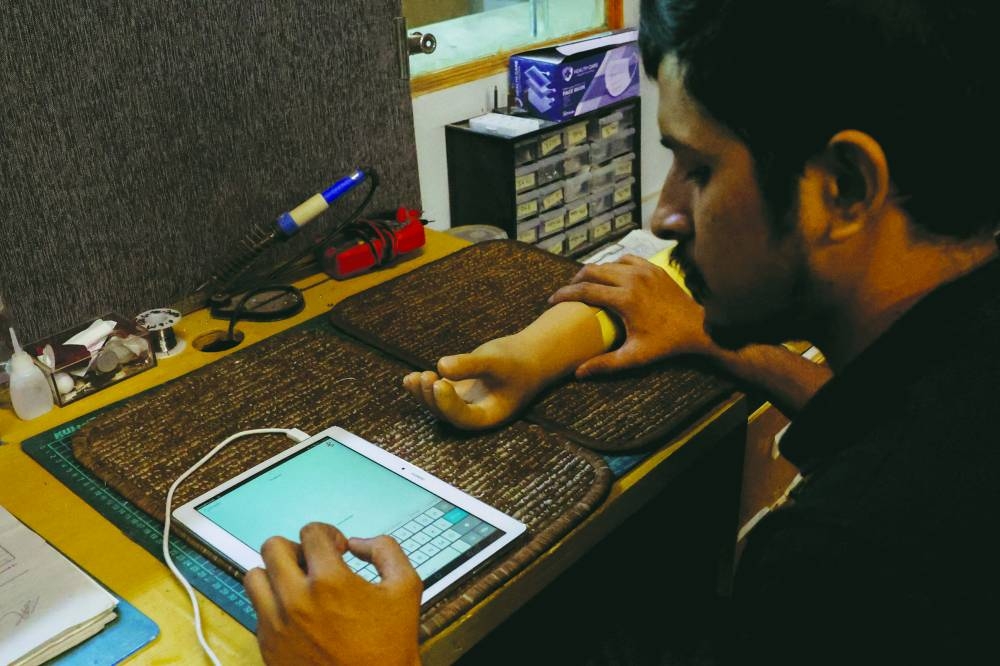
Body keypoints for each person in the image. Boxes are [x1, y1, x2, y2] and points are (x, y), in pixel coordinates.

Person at [244, 1, 1000, 663]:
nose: (663, 214)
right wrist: (710, 338)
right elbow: (876, 414)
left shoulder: (847, 565)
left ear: (843, 190)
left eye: (698, 170)